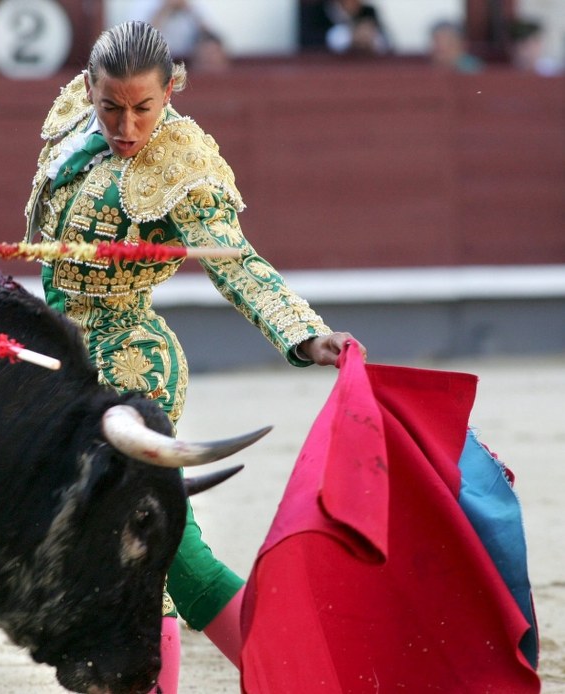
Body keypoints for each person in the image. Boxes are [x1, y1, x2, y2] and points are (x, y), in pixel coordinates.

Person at [22, 21, 365, 693]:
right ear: (89, 90)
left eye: (143, 108)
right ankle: (299, 677)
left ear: (171, 90)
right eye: (111, 106)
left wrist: (303, 332)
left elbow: (239, 266)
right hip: (59, 361)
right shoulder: (71, 124)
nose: (125, 124)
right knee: (167, 553)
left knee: (145, 553)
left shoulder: (184, 166)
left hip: (130, 365)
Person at [299, 0, 391, 56]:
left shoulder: (369, 12)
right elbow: (308, 41)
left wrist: (372, 38)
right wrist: (350, 36)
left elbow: (387, 44)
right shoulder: (316, 12)